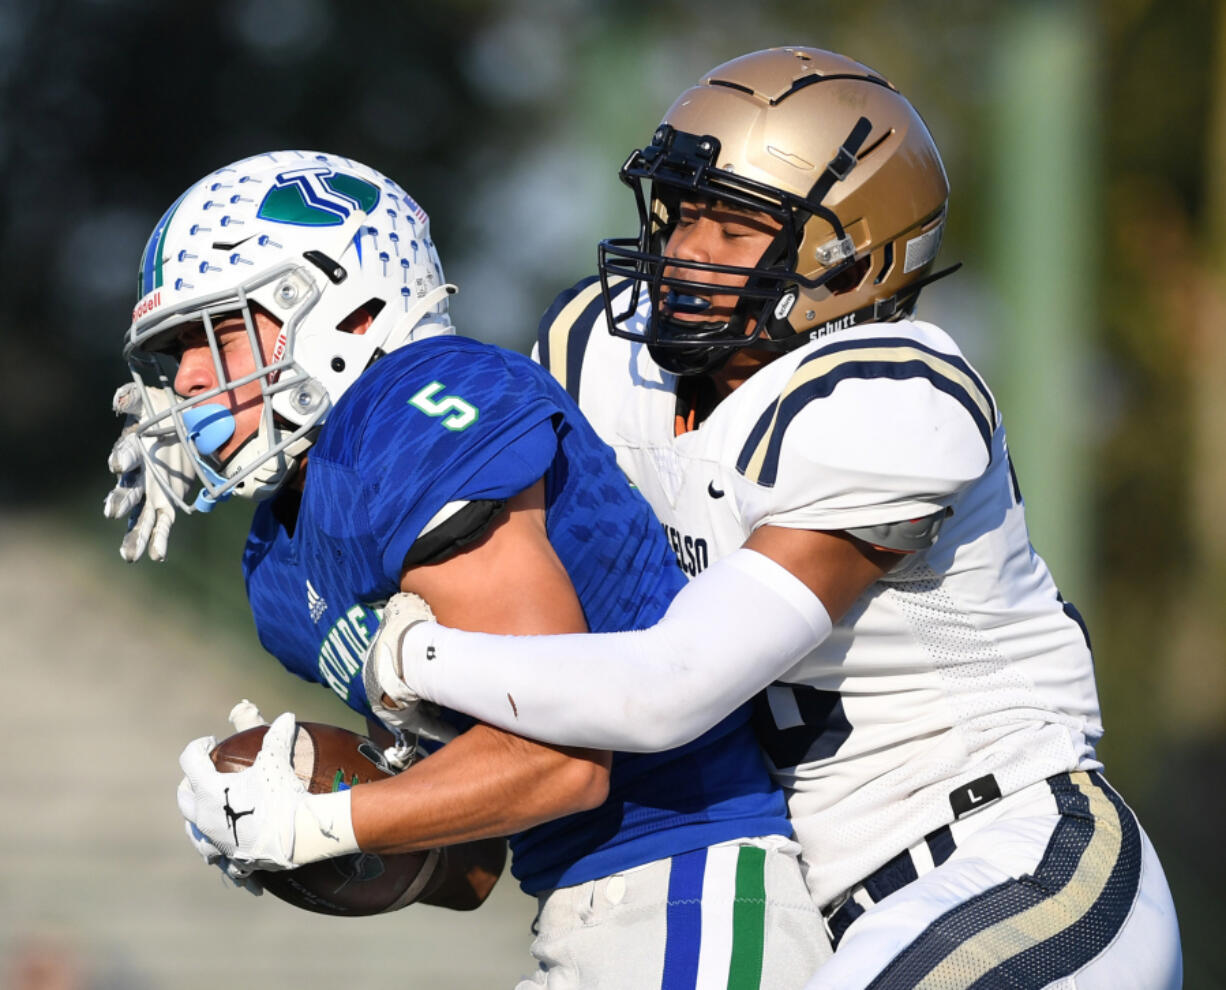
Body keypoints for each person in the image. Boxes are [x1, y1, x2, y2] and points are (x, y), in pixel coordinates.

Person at [358, 48, 1184, 989]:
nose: (684, 253)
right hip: (795, 908)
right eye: (680, 213)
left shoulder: (892, 403)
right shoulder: (596, 352)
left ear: (854, 256)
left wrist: (415, 659)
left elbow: (667, 687)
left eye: (734, 226)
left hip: (1006, 859)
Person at [107, 150, 826, 988]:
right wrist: (279, 823)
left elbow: (560, 764)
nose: (188, 379)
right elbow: (473, 864)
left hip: (691, 881)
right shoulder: (279, 565)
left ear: (350, 307)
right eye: (173, 352)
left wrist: (321, 823)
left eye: (218, 333)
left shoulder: (414, 403)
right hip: (577, 910)